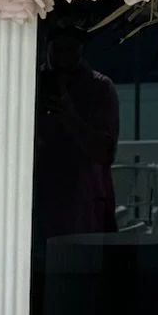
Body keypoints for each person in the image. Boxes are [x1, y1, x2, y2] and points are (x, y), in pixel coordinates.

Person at [33, 26, 120, 241]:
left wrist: (70, 118)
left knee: (83, 266)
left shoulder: (99, 88)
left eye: (69, 50)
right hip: (39, 200)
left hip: (83, 203)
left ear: (81, 51)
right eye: (58, 50)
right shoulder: (32, 84)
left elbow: (105, 154)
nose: (63, 59)